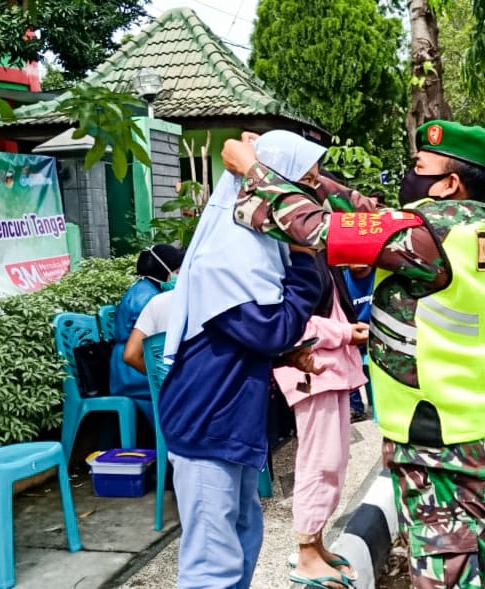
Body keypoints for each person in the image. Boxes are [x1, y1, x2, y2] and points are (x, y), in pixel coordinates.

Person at [222, 120, 485, 588]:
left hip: (438, 440)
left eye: (420, 166)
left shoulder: (428, 236)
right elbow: (367, 212)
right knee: (468, 570)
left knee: (444, 579)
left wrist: (253, 170)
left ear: (450, 183)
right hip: (465, 429)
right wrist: (313, 179)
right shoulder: (469, 226)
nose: (409, 174)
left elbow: (320, 230)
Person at [159, 130, 325, 589]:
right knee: (213, 566)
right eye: (301, 184)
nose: (309, 195)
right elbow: (274, 326)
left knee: (243, 539)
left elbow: (255, 335)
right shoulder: (226, 258)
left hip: (229, 419)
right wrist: (305, 254)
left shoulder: (253, 251)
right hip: (209, 422)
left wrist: (284, 354)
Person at [276, 250, 369, 588]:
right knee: (321, 461)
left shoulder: (316, 255)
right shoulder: (295, 255)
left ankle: (315, 544)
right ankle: (306, 553)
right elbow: (293, 320)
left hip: (329, 370)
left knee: (333, 460)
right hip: (314, 370)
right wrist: (345, 334)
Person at [109, 244, 182, 425]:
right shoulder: (148, 299)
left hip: (132, 360)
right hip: (133, 371)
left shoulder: (146, 288)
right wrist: (159, 379)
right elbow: (136, 353)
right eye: (177, 271)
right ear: (164, 270)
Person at [344, 265, 374, 422]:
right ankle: (354, 406)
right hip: (352, 335)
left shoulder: (380, 275)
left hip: (378, 333)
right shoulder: (341, 280)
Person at [121, 288, 175, 375]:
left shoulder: (159, 300)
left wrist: (162, 377)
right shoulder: (150, 294)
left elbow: (131, 355)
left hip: (172, 379)